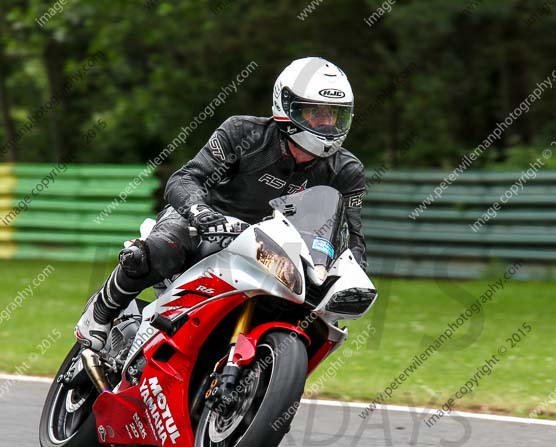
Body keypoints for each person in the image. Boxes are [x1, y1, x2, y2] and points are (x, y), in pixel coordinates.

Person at [76, 57, 368, 350]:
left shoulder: (345, 170)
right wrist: (201, 214)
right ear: (288, 107)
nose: (327, 123)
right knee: (163, 247)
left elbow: (351, 237)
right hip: (206, 225)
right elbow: (184, 179)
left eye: (335, 115)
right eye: (316, 113)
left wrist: (349, 280)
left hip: (276, 251)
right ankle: (101, 311)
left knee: (317, 323)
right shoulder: (243, 133)